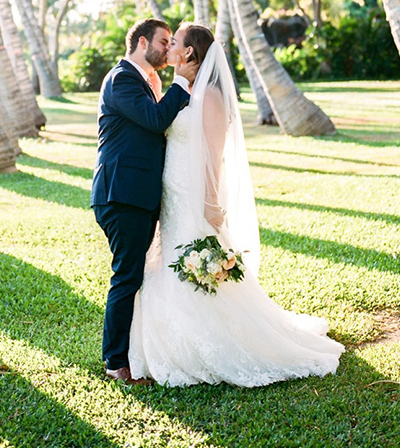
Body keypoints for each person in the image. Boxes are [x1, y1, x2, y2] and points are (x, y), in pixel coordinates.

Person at [129, 23, 345, 387]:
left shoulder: (210, 96)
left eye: (175, 43)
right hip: (172, 195)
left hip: (194, 197)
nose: (169, 49)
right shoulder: (184, 90)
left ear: (191, 53)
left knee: (194, 264)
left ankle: (218, 342)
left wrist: (212, 203)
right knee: (168, 263)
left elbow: (213, 156)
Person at [91, 17, 199, 385]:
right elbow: (154, 120)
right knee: (126, 276)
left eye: (172, 42)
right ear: (141, 43)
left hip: (138, 194)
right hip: (121, 195)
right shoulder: (122, 78)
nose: (169, 49)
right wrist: (182, 81)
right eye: (164, 42)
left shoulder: (145, 81)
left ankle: (137, 350)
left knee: (136, 274)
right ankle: (115, 362)